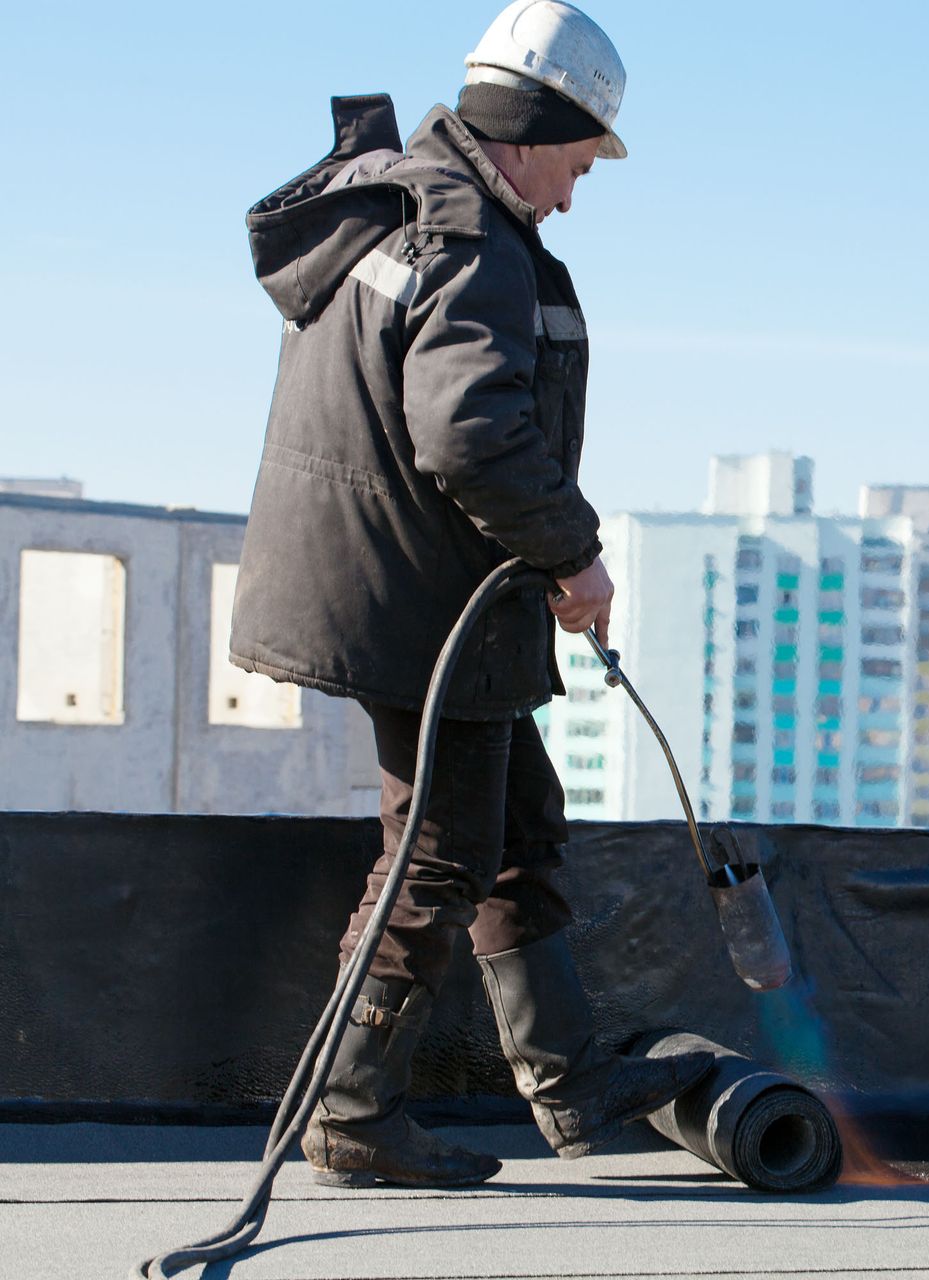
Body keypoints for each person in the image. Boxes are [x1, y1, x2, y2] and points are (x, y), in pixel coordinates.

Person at [229, 0, 712, 1188]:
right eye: (576, 160)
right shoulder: (470, 238)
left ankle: (569, 1079)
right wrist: (574, 556)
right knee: (439, 849)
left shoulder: (402, 209)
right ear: (535, 124)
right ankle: (349, 1107)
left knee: (519, 826)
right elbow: (470, 433)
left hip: (404, 585)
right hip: (419, 600)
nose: (572, 192)